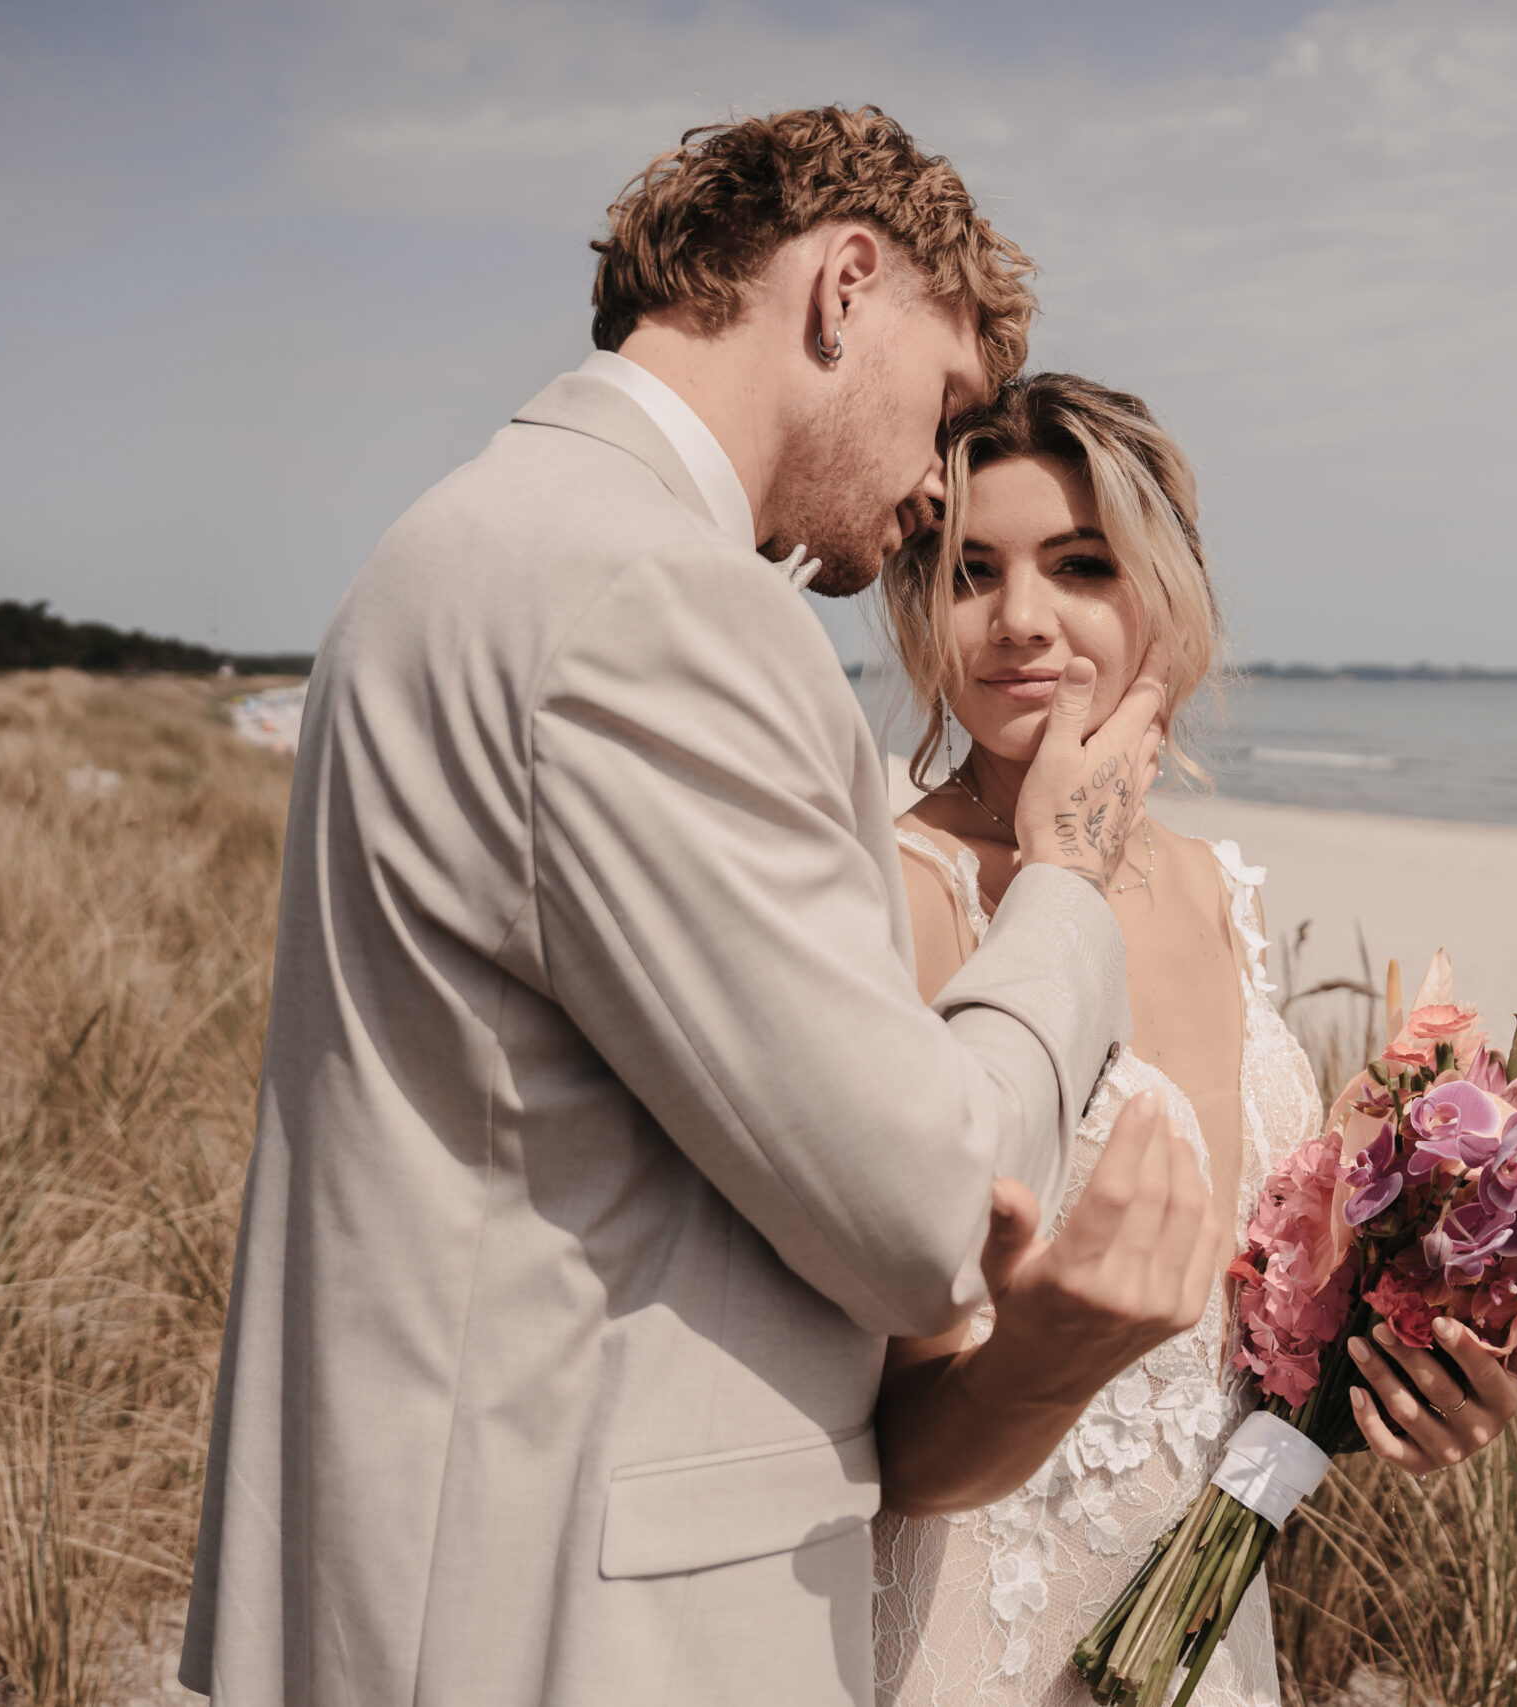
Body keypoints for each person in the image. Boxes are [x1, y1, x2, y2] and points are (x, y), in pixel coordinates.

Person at [177, 108, 1218, 1707]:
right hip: (568, 1628)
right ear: (842, 288)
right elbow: (926, 1207)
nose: (934, 487)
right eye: (943, 404)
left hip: (447, 1558)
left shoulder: (457, 543)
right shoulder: (659, 597)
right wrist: (1065, 883)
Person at [868, 375, 1517, 1705]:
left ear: (1161, 597)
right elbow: (894, 1433)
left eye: (1080, 565)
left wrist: (1414, 1378)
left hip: (1198, 1642)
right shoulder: (904, 895)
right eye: (971, 573)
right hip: (971, 1641)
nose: (1022, 621)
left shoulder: (1216, 891)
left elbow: (1253, 1326)